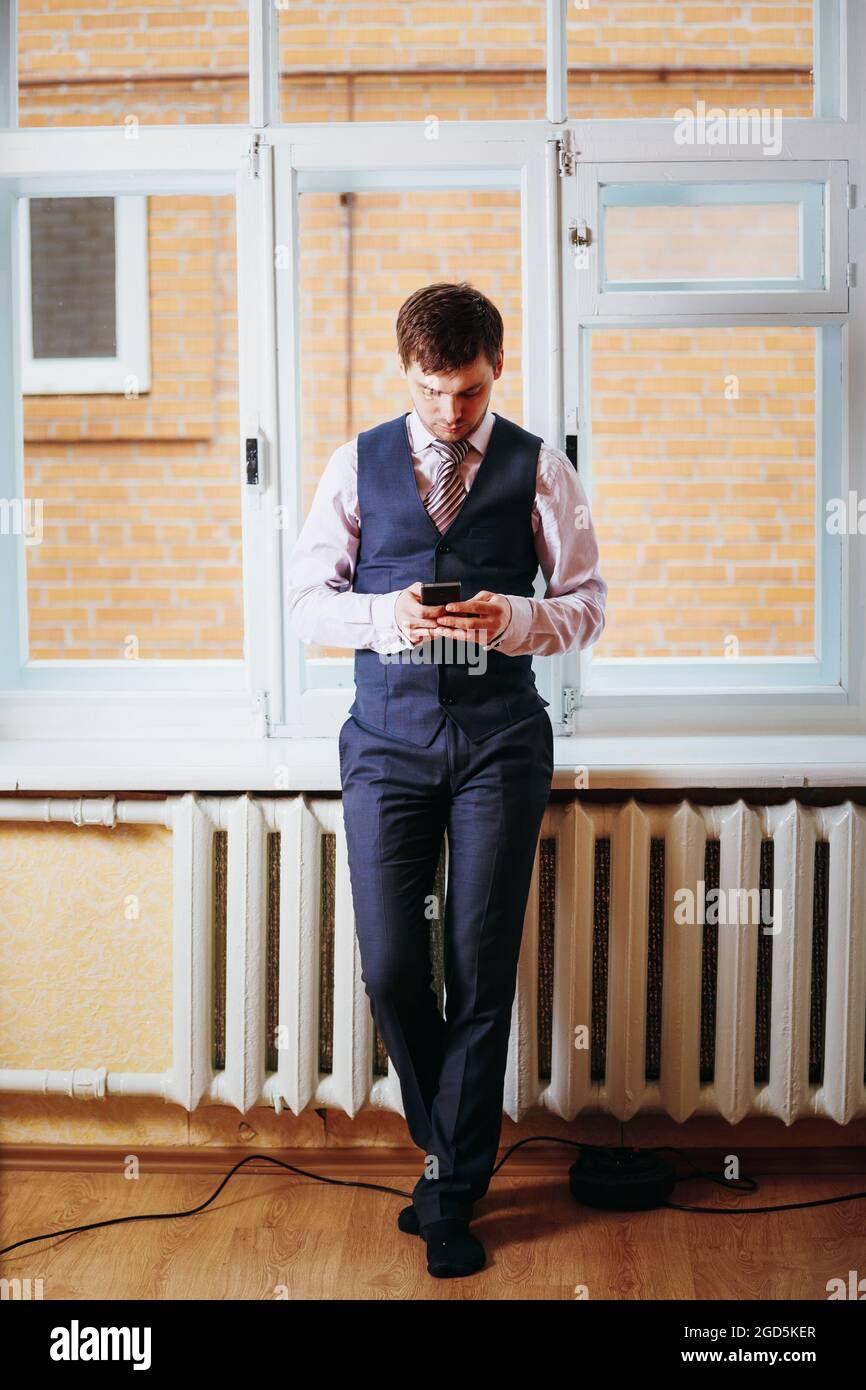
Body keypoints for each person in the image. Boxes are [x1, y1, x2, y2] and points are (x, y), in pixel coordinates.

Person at [286, 281, 607, 1278]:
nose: (449, 414)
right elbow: (304, 605)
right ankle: (446, 1148)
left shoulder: (537, 467)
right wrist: (388, 618)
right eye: (430, 392)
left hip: (500, 743)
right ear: (406, 375)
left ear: (494, 371)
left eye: (466, 392)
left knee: (477, 965)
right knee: (389, 965)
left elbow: (588, 602)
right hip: (384, 741)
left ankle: (451, 1192)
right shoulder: (355, 463)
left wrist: (512, 620)